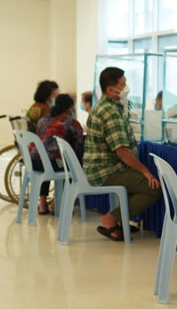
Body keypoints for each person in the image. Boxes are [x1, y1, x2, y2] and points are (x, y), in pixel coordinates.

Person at [84, 67, 161, 241]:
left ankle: (121, 219)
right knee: (152, 187)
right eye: (123, 84)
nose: (127, 87)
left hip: (102, 167)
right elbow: (122, 152)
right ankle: (111, 219)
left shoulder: (107, 106)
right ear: (111, 89)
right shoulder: (111, 112)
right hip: (106, 170)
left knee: (136, 179)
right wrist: (145, 172)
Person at [30, 94, 84, 215]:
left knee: (46, 159)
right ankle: (56, 204)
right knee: (72, 165)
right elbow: (79, 149)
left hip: (33, 163)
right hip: (52, 164)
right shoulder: (72, 123)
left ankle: (42, 204)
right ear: (70, 108)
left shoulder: (43, 119)